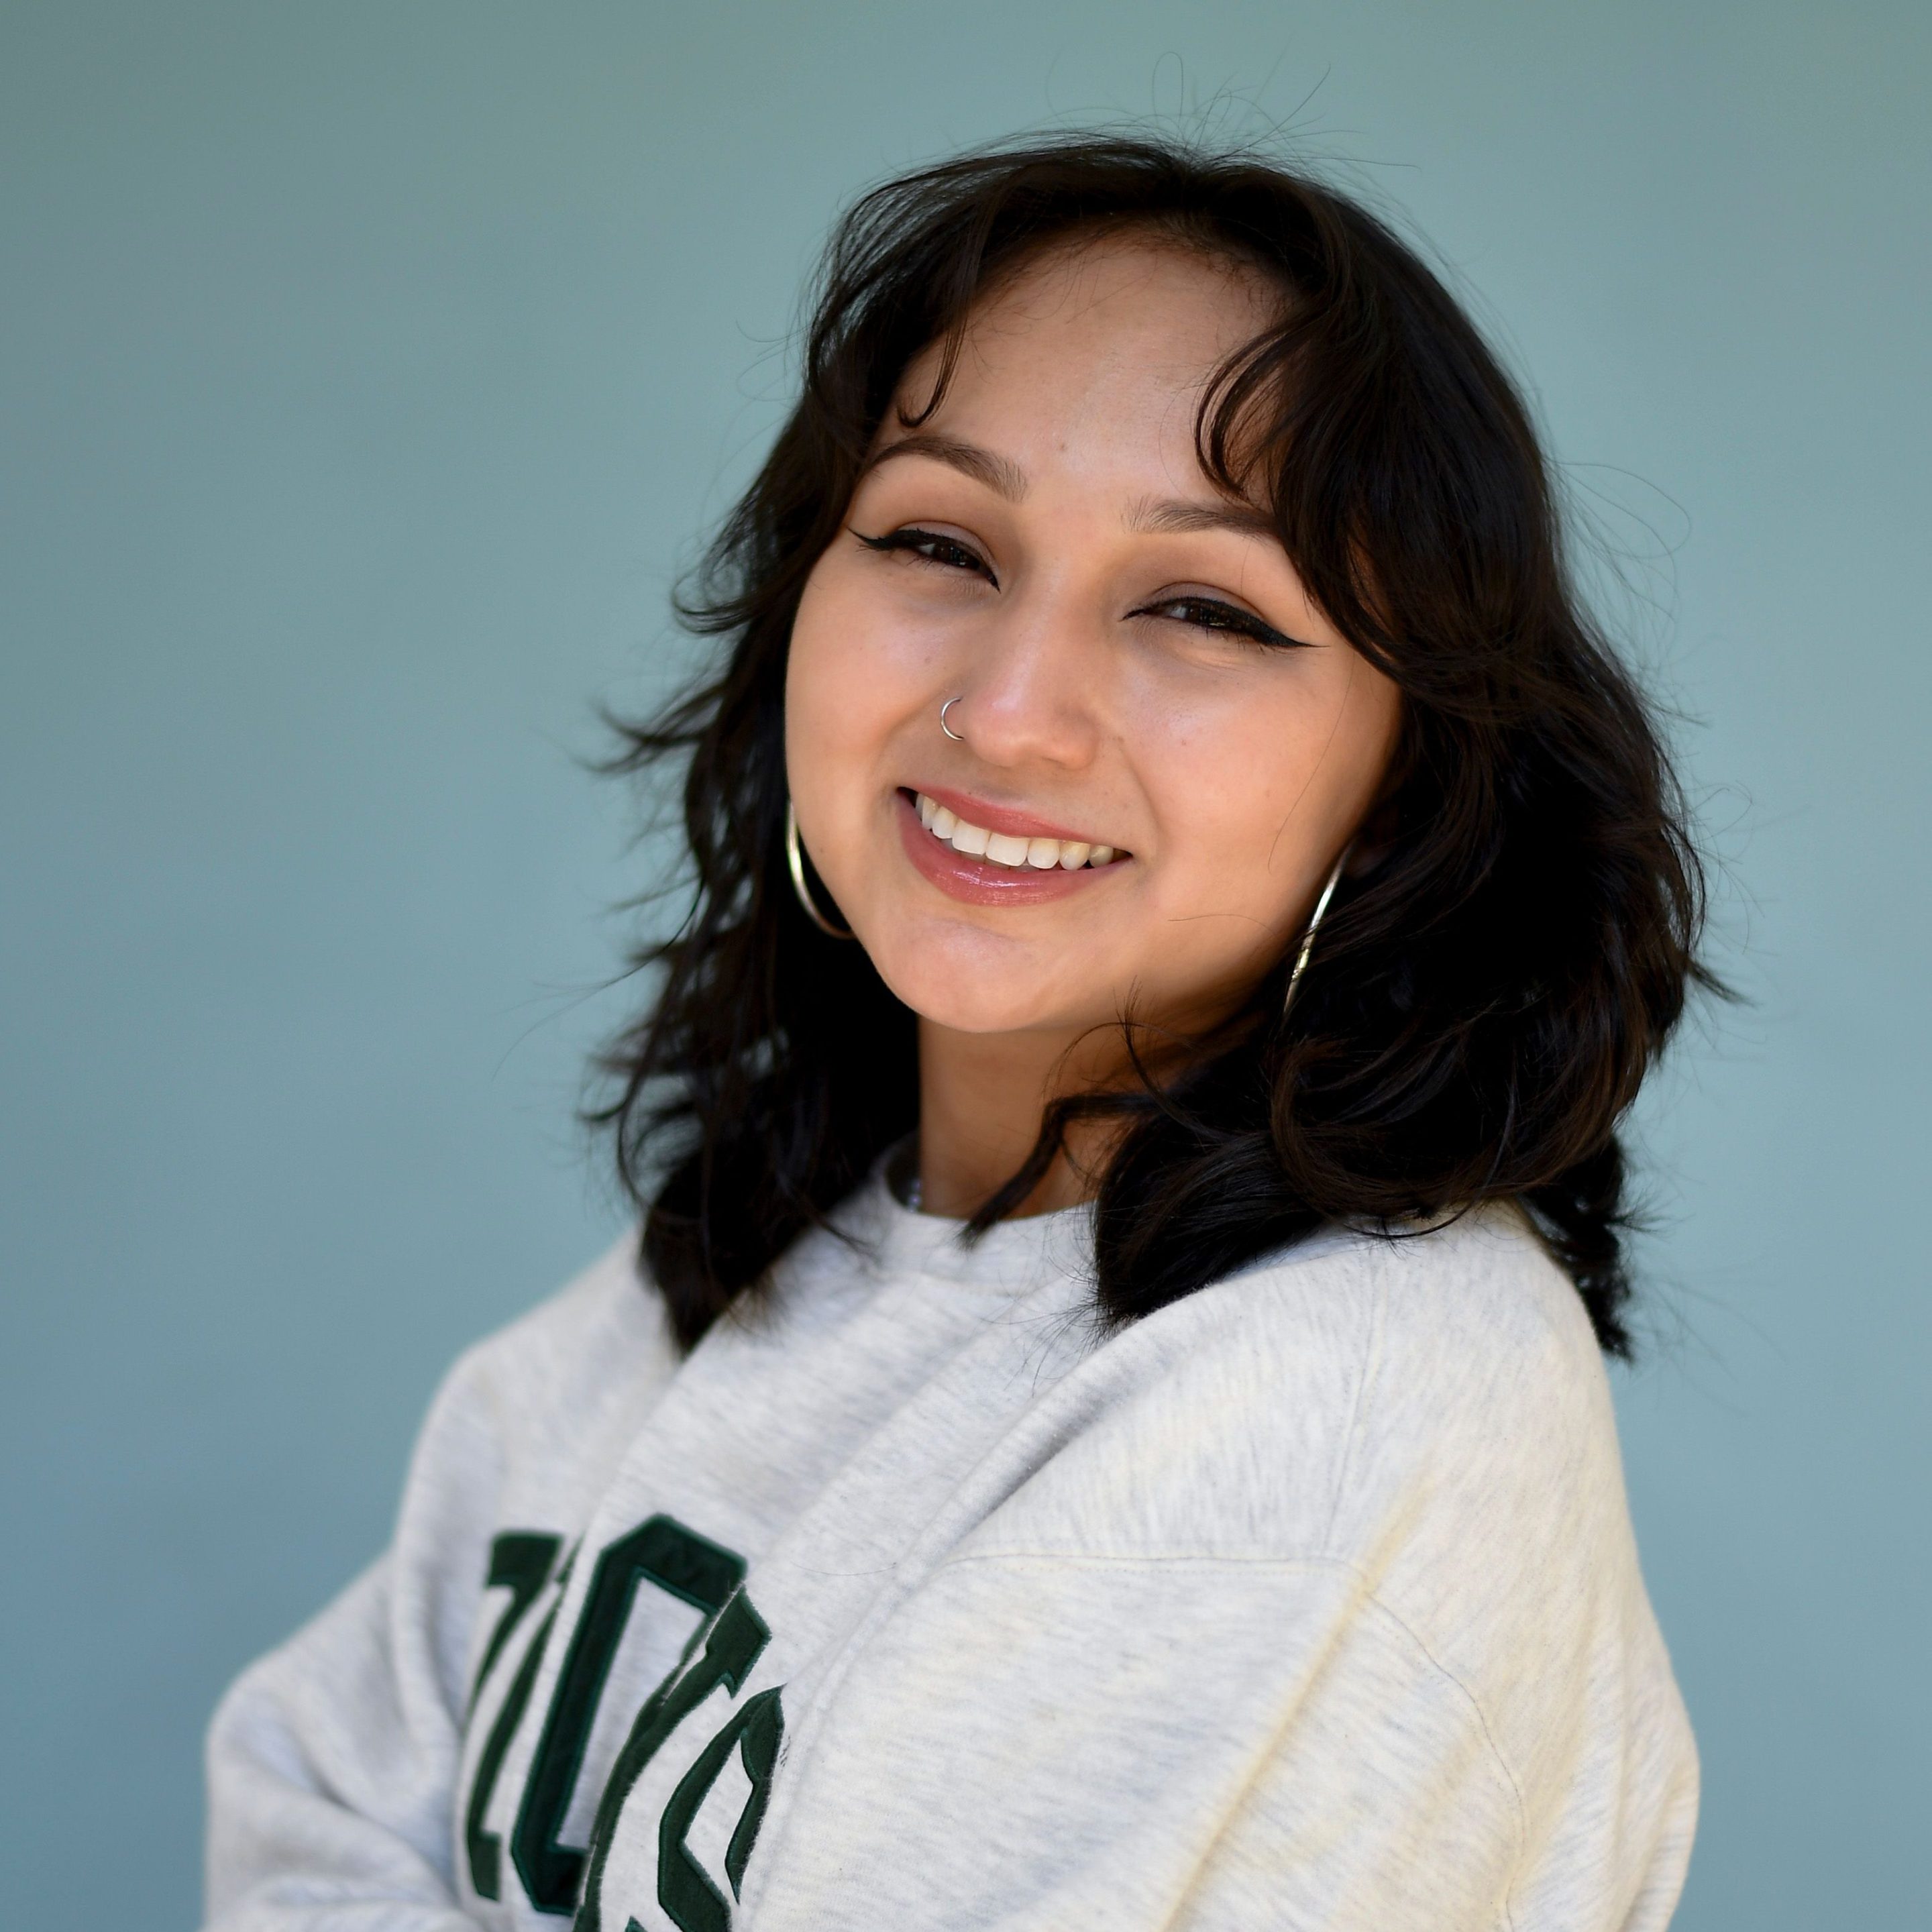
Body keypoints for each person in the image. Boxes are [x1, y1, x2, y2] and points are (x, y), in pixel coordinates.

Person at [201, 136, 1709, 1932]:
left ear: (1406, 789)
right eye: (938, 541)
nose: (1007, 713)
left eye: (1203, 608)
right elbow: (294, 1805)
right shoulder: (749, 1260)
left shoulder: (1358, 1386)